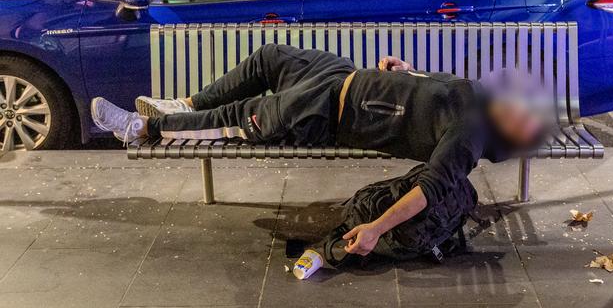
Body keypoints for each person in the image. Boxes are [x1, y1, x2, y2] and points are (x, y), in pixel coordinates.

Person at [91, 44, 548, 257]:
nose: (517, 103)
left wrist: (374, 228)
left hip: (331, 111)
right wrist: (407, 71)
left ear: (513, 134)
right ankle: (185, 106)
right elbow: (431, 90)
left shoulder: (471, 137)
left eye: (523, 114)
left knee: (251, 114)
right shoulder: (479, 98)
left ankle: (146, 128)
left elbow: (428, 190)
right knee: (269, 58)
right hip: (340, 74)